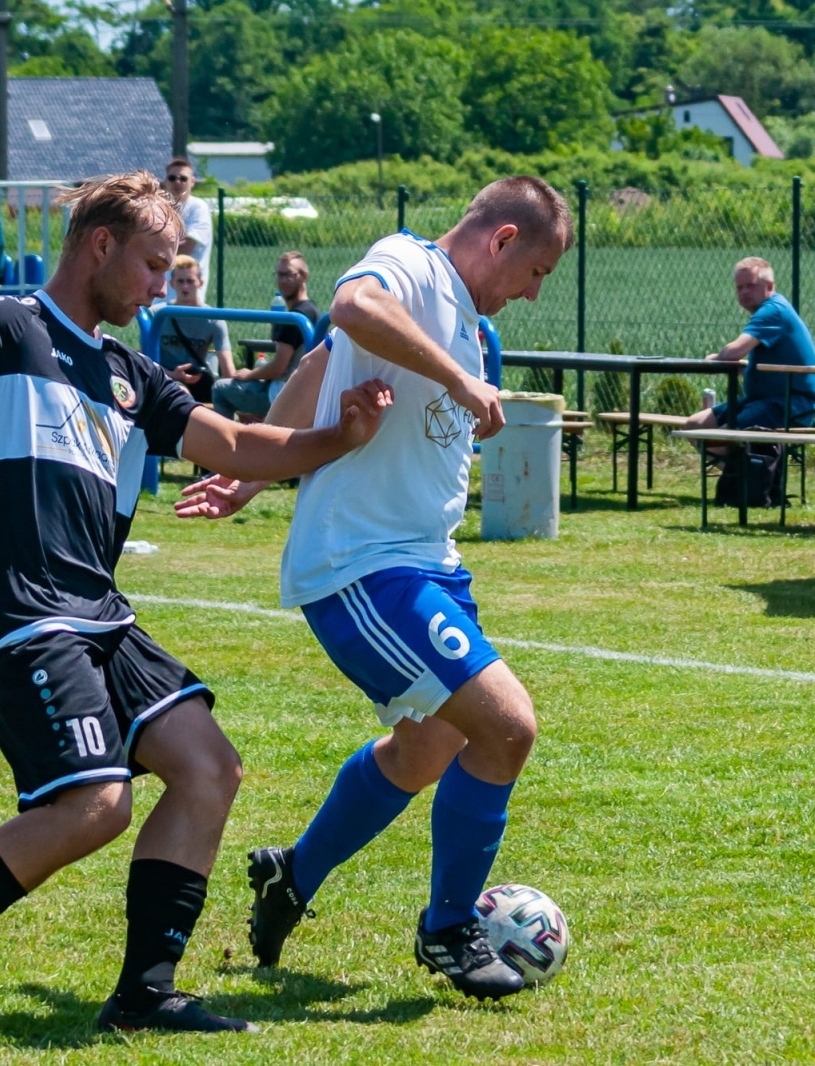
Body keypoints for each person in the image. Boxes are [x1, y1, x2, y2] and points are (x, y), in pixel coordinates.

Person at [0, 170, 392, 1043]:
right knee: (96, 804)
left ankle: (146, 990)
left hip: (97, 614)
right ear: (101, 248)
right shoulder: (5, 326)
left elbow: (238, 443)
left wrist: (338, 439)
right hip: (23, 614)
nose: (162, 286)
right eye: (154, 265)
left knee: (210, 768)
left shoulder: (132, 374)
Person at [177, 176, 572, 1001]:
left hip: (429, 562)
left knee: (431, 746)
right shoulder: (410, 267)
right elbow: (350, 313)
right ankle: (449, 930)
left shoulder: (469, 324)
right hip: (364, 563)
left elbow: (321, 366)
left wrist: (252, 475)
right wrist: (463, 384)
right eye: (536, 272)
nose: (534, 293)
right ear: (502, 240)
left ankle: (293, 875)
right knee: (508, 728)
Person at [683, 257, 815, 435]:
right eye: (740, 287)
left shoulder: (773, 311)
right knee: (695, 425)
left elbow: (733, 351)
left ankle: (752, 463)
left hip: (787, 406)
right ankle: (742, 463)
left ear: (769, 286)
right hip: (760, 401)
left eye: (751, 285)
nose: (744, 292)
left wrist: (714, 359)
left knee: (719, 439)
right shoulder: (771, 309)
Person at [210, 252, 318, 421]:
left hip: (284, 392)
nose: (282, 280)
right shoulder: (312, 310)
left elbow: (279, 367)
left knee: (220, 389)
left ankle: (223, 444)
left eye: (288, 274)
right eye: (279, 274)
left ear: (303, 276)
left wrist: (249, 374)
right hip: (303, 391)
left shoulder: (296, 317)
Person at [158, 255, 232, 404]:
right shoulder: (157, 314)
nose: (185, 287)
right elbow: (144, 359)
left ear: (200, 283)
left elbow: (228, 368)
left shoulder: (213, 318)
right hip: (163, 379)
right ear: (172, 283)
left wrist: (233, 396)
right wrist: (171, 374)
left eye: (190, 281)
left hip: (198, 382)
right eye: (180, 281)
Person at [164, 157, 211, 296]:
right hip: (160, 294)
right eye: (172, 178)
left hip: (188, 295)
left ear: (192, 182)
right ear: (166, 181)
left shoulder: (198, 208)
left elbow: (185, 249)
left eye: (183, 178)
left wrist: (151, 246)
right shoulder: (160, 208)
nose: (177, 182)